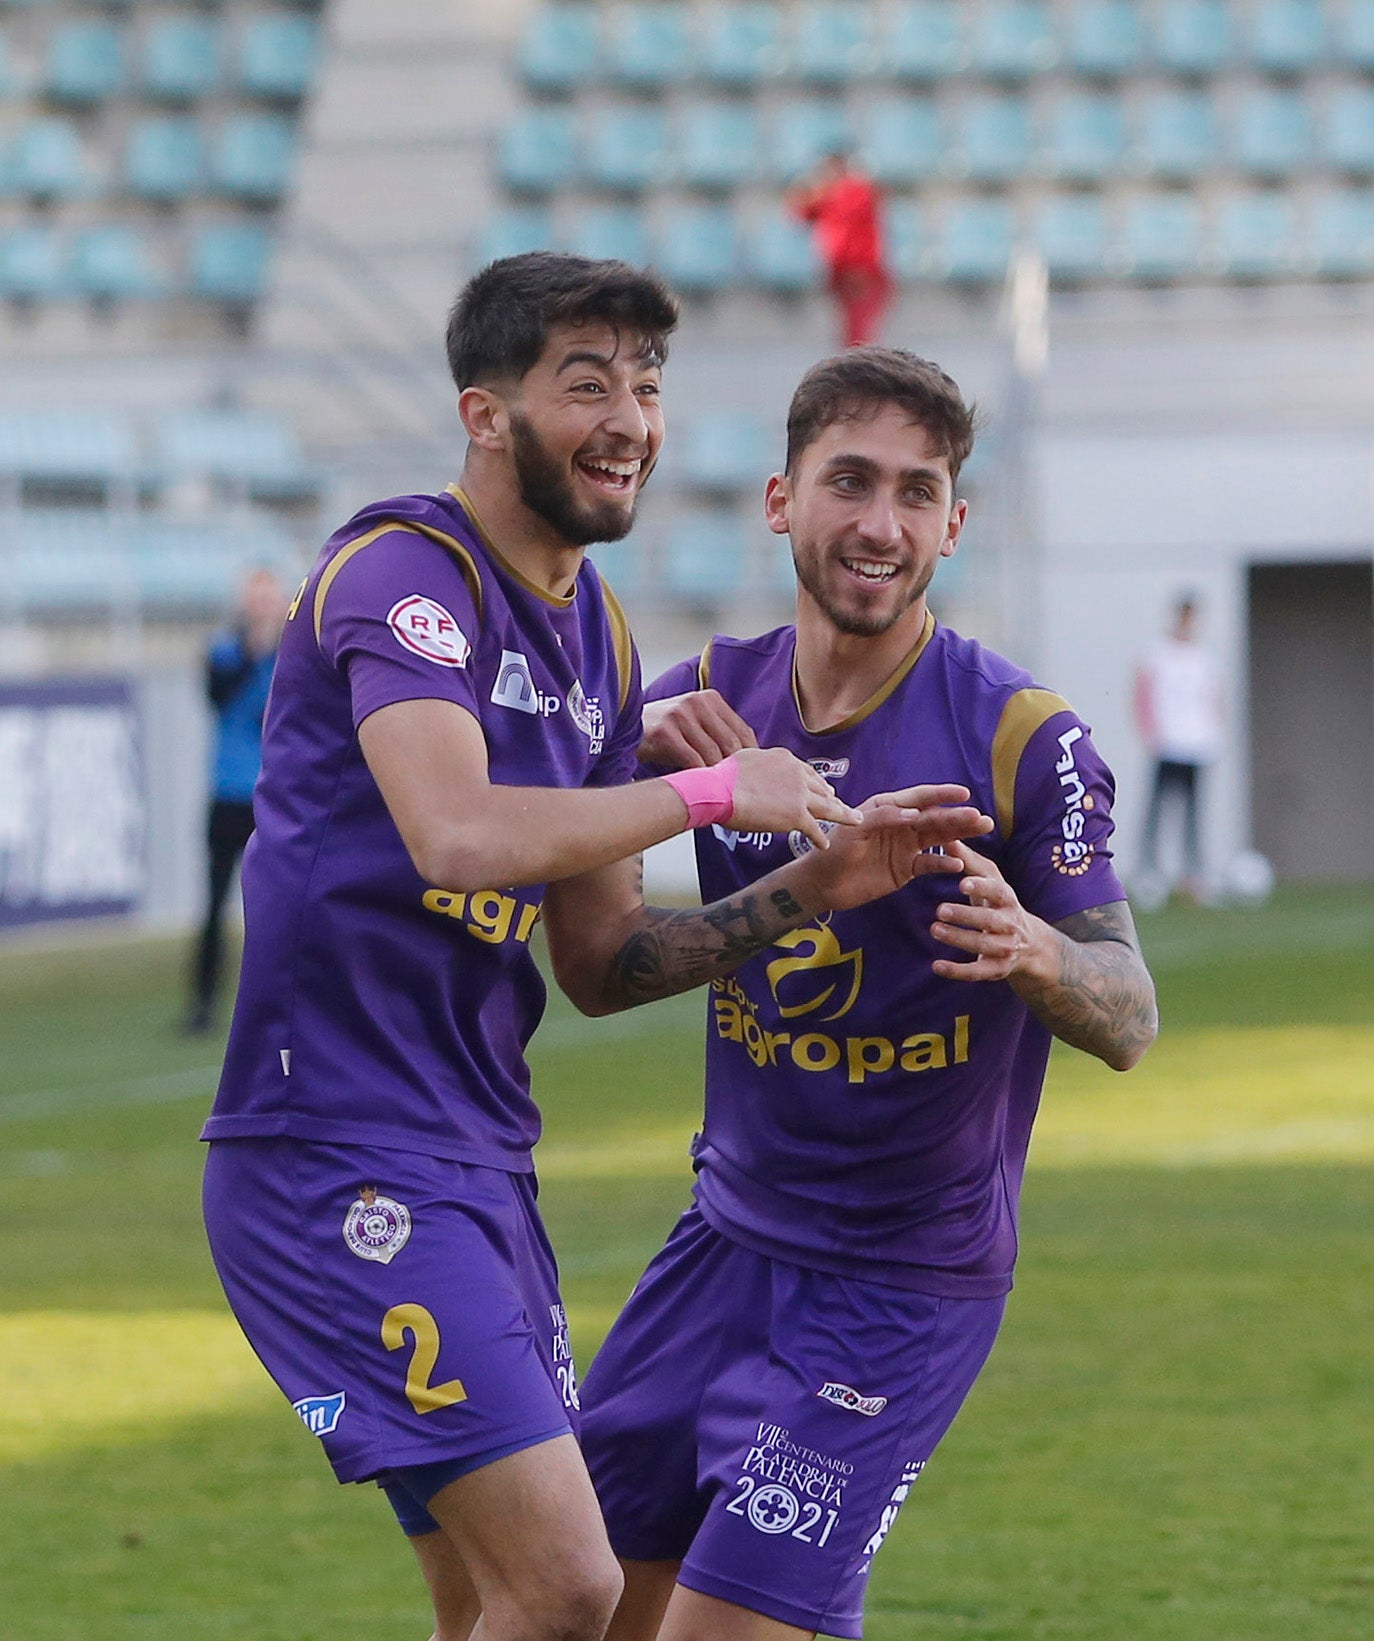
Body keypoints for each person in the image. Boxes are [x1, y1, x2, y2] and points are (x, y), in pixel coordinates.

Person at [199, 259, 994, 1641]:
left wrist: (815, 883)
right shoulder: (403, 574)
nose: (628, 416)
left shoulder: (595, 635)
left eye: (646, 384)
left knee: (497, 1604)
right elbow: (450, 832)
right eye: (585, 382)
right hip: (330, 1154)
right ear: (484, 412)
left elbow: (602, 962)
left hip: (482, 1163)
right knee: (570, 1586)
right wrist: (698, 792)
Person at [578, 346, 1160, 1641]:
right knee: (575, 1605)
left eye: (915, 491)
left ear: (954, 523)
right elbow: (599, 969)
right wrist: (639, 776)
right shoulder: (699, 708)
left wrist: (1035, 953)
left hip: (901, 1284)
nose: (879, 523)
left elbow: (1126, 1012)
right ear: (781, 499)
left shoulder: (1020, 736)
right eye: (848, 480)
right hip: (717, 1249)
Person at [184, 565, 288, 1034]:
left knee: (280, 908)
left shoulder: (293, 655)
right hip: (227, 794)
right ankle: (203, 1006)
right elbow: (216, 696)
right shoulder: (223, 651)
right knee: (213, 904)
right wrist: (254, 649)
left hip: (275, 795)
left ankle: (280, 1007)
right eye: (256, 597)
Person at [1134, 594, 1223, 902]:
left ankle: (1193, 875)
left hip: (1197, 744)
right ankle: (1150, 873)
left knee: (1193, 814)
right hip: (1167, 743)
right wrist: (1150, 733)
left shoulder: (1203, 656)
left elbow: (1212, 697)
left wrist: (1213, 733)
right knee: (1157, 810)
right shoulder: (1158, 653)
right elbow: (1142, 693)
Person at [787, 149, 893, 350]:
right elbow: (799, 214)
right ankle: (855, 365)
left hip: (860, 266)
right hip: (841, 267)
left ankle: (859, 367)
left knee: (859, 324)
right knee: (850, 325)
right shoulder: (830, 192)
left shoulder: (854, 190)